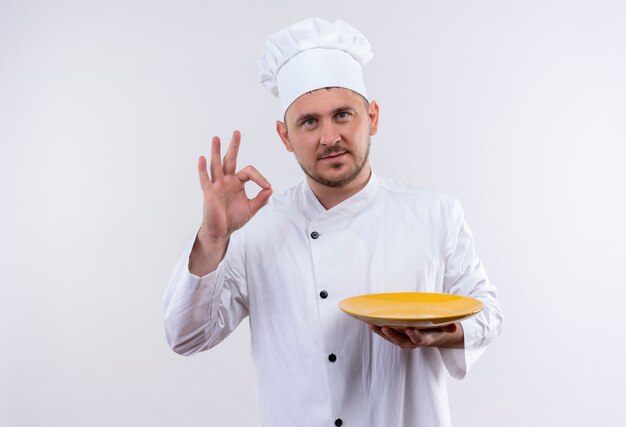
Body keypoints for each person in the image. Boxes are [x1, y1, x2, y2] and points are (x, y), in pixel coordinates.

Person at [163, 17, 503, 427]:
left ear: (372, 117)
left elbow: (487, 313)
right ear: (284, 136)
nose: (329, 137)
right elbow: (185, 337)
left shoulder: (434, 213)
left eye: (343, 115)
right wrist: (213, 238)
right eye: (309, 122)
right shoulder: (258, 228)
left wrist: (443, 333)